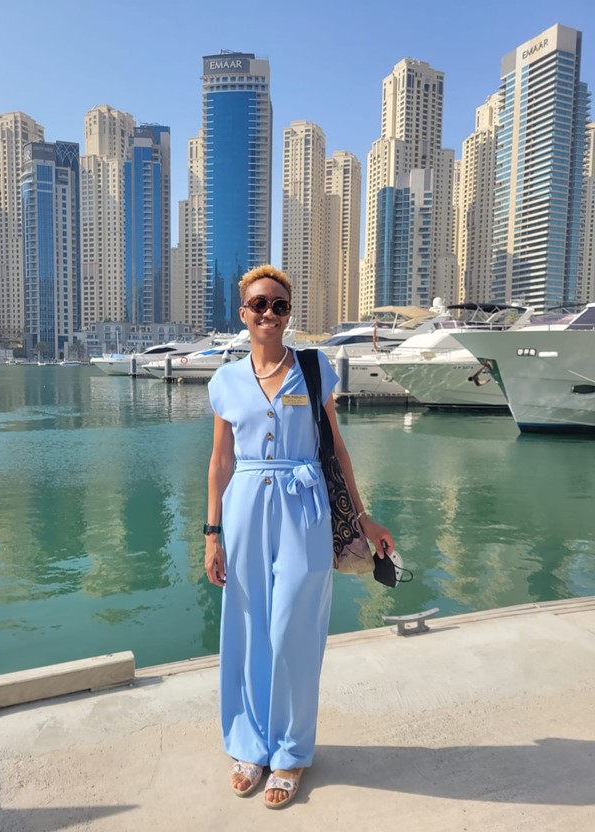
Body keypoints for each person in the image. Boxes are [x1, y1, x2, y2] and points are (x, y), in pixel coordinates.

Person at [205, 265, 394, 809]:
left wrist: (363, 517)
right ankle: (249, 744)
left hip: (305, 509)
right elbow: (219, 462)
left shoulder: (314, 371)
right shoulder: (225, 381)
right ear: (243, 313)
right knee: (245, 629)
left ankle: (290, 752)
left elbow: (335, 450)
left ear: (289, 315)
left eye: (279, 305)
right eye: (259, 304)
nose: (269, 313)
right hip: (241, 510)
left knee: (294, 631)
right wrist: (211, 533)